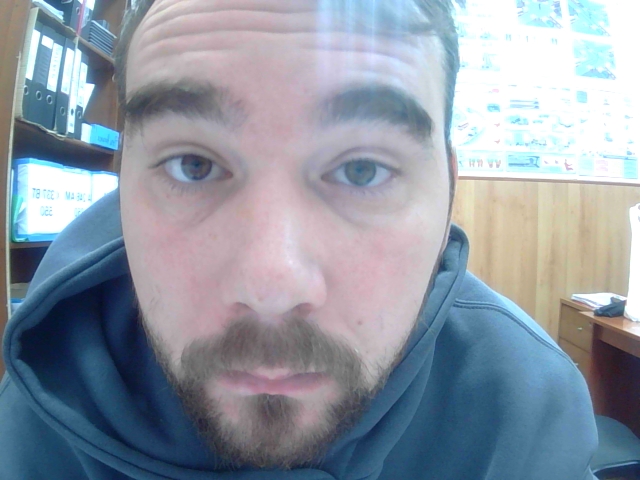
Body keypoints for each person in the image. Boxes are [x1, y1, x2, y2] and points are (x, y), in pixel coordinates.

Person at [0, 0, 598, 478]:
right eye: (193, 165)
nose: (271, 287)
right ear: (122, 184)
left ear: (447, 200)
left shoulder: (523, 412)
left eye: (362, 169)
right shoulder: (48, 393)